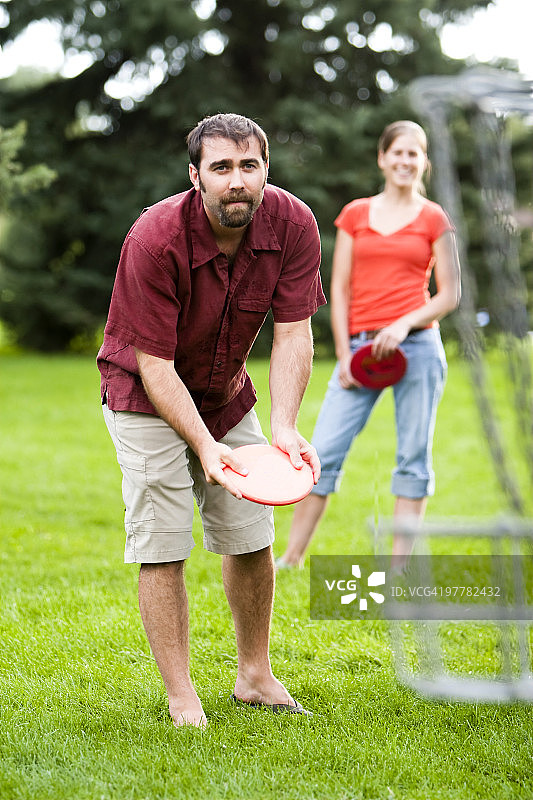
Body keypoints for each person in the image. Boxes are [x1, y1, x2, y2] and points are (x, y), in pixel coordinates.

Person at [97, 113, 325, 727]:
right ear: (195, 175)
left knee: (251, 532)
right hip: (146, 393)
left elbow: (293, 334)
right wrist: (203, 447)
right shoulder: (155, 237)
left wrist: (282, 427)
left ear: (265, 170)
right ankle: (181, 695)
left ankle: (255, 675)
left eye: (248, 166)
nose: (236, 181)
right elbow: (154, 364)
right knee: (164, 542)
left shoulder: (294, 223)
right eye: (221, 168)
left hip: (227, 392)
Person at [276, 120, 461, 570]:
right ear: (382, 158)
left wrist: (403, 324)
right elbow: (337, 289)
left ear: (423, 162)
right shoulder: (356, 213)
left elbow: (450, 294)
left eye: (414, 153)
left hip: (417, 350)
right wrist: (343, 354)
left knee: (413, 457)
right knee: (324, 449)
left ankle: (398, 569)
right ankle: (292, 557)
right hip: (359, 351)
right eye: (397, 152)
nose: (404, 160)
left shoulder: (435, 218)